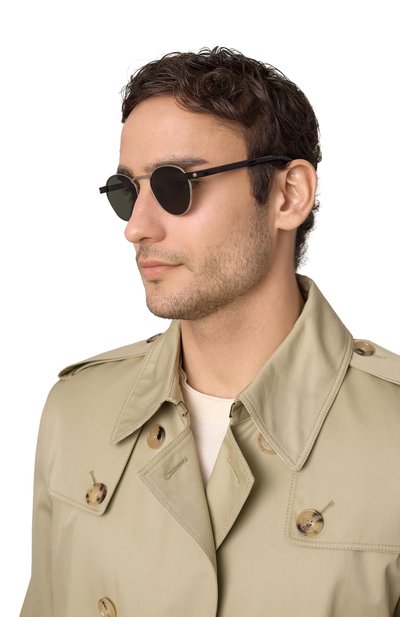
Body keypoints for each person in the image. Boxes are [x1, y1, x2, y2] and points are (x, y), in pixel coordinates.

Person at [21, 47, 400, 617]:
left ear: (288, 195)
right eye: (128, 191)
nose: (136, 228)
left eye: (176, 185)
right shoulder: (76, 413)